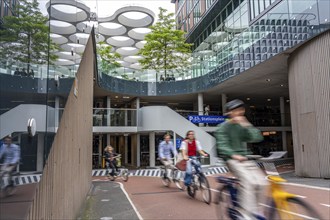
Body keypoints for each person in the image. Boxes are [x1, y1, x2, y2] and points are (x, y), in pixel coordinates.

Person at [216, 99, 267, 216]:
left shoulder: (242, 126)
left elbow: (257, 138)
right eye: (236, 110)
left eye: (241, 110)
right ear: (229, 113)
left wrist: (246, 125)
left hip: (244, 159)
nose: (239, 112)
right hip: (231, 159)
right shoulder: (222, 127)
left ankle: (257, 210)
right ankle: (245, 214)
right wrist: (233, 155)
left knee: (262, 182)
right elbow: (222, 146)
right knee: (248, 181)